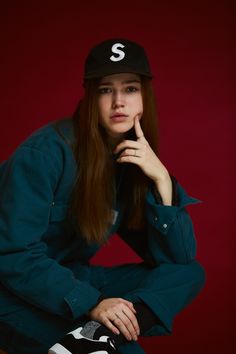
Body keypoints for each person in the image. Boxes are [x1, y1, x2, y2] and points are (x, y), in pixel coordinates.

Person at [0, 38, 206, 354]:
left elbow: (176, 260)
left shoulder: (131, 162)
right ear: (90, 96)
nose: (118, 102)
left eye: (130, 88)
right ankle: (106, 335)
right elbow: (13, 255)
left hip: (73, 279)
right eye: (105, 90)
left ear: (144, 97)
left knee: (188, 272)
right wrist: (93, 303)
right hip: (13, 293)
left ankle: (102, 335)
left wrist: (162, 182)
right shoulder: (44, 154)